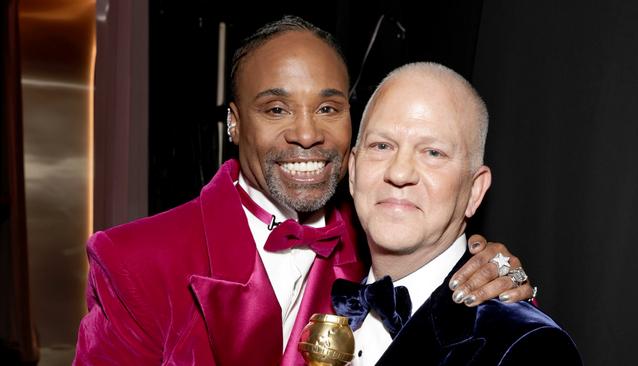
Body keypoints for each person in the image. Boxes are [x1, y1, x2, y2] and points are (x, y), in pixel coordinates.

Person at [73, 16, 534, 365]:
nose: (308, 134)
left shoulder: (381, 233)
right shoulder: (134, 259)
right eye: (276, 109)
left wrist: (492, 271)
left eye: (329, 107)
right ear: (233, 122)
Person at [333, 62, 581, 365]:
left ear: (475, 191)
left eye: (433, 153)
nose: (399, 173)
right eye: (382, 145)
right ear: (354, 172)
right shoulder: (320, 294)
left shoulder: (527, 346)